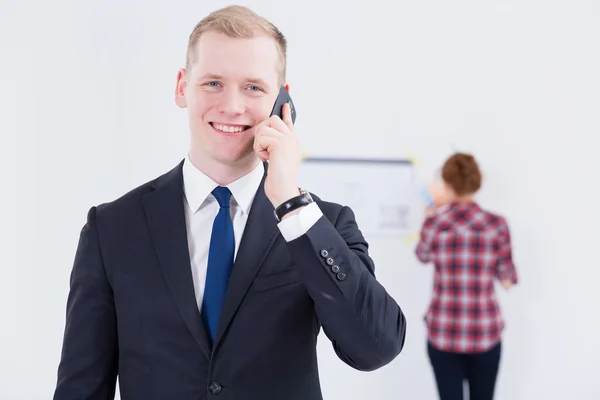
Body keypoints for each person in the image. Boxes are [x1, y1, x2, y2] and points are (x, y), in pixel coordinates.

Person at [53, 5, 406, 400]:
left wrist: (290, 203)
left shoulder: (323, 224)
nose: (232, 106)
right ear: (182, 87)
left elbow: (376, 348)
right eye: (213, 83)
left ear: (283, 103)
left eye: (253, 87)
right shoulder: (112, 227)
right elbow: (80, 388)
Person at [415, 153, 518, 400]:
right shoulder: (497, 225)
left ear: (447, 185)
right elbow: (507, 281)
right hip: (484, 332)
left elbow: (422, 255)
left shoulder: (435, 224)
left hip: (443, 332)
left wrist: (428, 216)